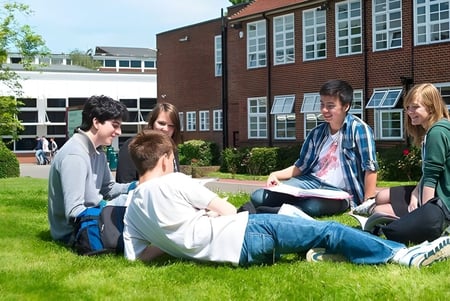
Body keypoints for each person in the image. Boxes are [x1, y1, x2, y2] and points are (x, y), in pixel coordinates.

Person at [122, 129, 450, 268]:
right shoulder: (176, 181)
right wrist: (206, 221)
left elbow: (139, 257)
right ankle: (401, 255)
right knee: (329, 229)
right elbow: (224, 209)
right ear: (165, 159)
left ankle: (330, 253)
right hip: (247, 235)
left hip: (234, 255)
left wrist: (179, 240)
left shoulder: (133, 209)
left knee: (299, 224)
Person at [248, 79, 378, 216]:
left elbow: (370, 168)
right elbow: (301, 166)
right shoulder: (317, 133)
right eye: (322, 104)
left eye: (330, 106)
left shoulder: (359, 129)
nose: (324, 110)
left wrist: (367, 203)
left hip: (339, 191)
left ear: (346, 106)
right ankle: (288, 208)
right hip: (310, 183)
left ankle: (284, 209)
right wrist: (275, 174)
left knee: (312, 206)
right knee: (258, 196)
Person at [48, 95, 135, 244]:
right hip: (75, 232)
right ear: (96, 122)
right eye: (115, 125)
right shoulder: (75, 155)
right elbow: (74, 211)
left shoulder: (98, 152)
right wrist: (108, 209)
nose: (119, 132)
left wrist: (137, 186)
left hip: (93, 218)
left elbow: (109, 188)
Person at [372, 83, 450, 244]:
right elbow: (429, 172)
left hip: (442, 199)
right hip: (433, 191)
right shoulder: (434, 129)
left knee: (378, 211)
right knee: (381, 197)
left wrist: (423, 216)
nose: (409, 112)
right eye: (408, 107)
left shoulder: (437, 132)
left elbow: (431, 177)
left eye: (415, 107)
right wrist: (415, 193)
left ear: (431, 107)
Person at [116, 102, 182, 183]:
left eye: (171, 126)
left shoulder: (172, 148)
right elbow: (124, 182)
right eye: (161, 123)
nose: (166, 129)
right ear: (152, 122)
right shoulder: (134, 145)